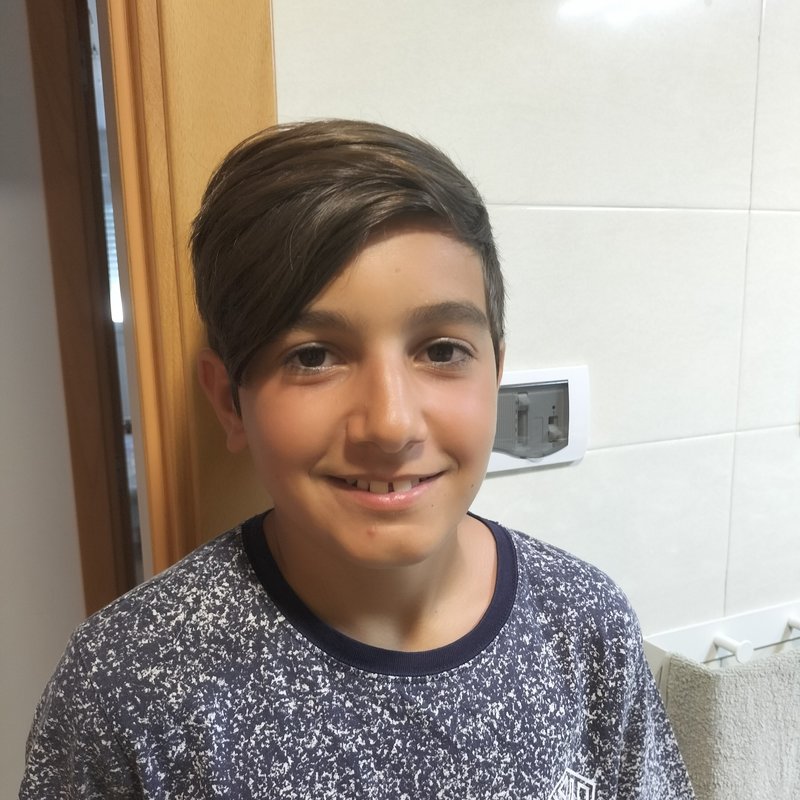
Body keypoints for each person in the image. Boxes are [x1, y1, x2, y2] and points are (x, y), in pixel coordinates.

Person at [20, 120, 695, 799]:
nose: (392, 424)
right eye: (313, 356)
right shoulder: (127, 685)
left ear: (495, 373)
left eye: (441, 350)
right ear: (229, 402)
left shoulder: (583, 625)